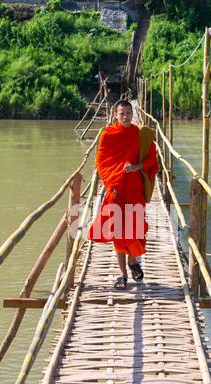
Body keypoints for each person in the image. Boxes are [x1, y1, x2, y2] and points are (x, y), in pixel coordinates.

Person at [88, 100, 159, 289]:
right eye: (122, 114)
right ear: (115, 116)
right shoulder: (108, 135)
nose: (126, 117)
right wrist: (112, 183)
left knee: (135, 230)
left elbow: (152, 159)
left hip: (135, 189)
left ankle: (133, 260)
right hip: (116, 190)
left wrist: (136, 166)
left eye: (129, 113)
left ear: (133, 113)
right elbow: (101, 163)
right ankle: (122, 274)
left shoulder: (141, 135)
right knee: (119, 231)